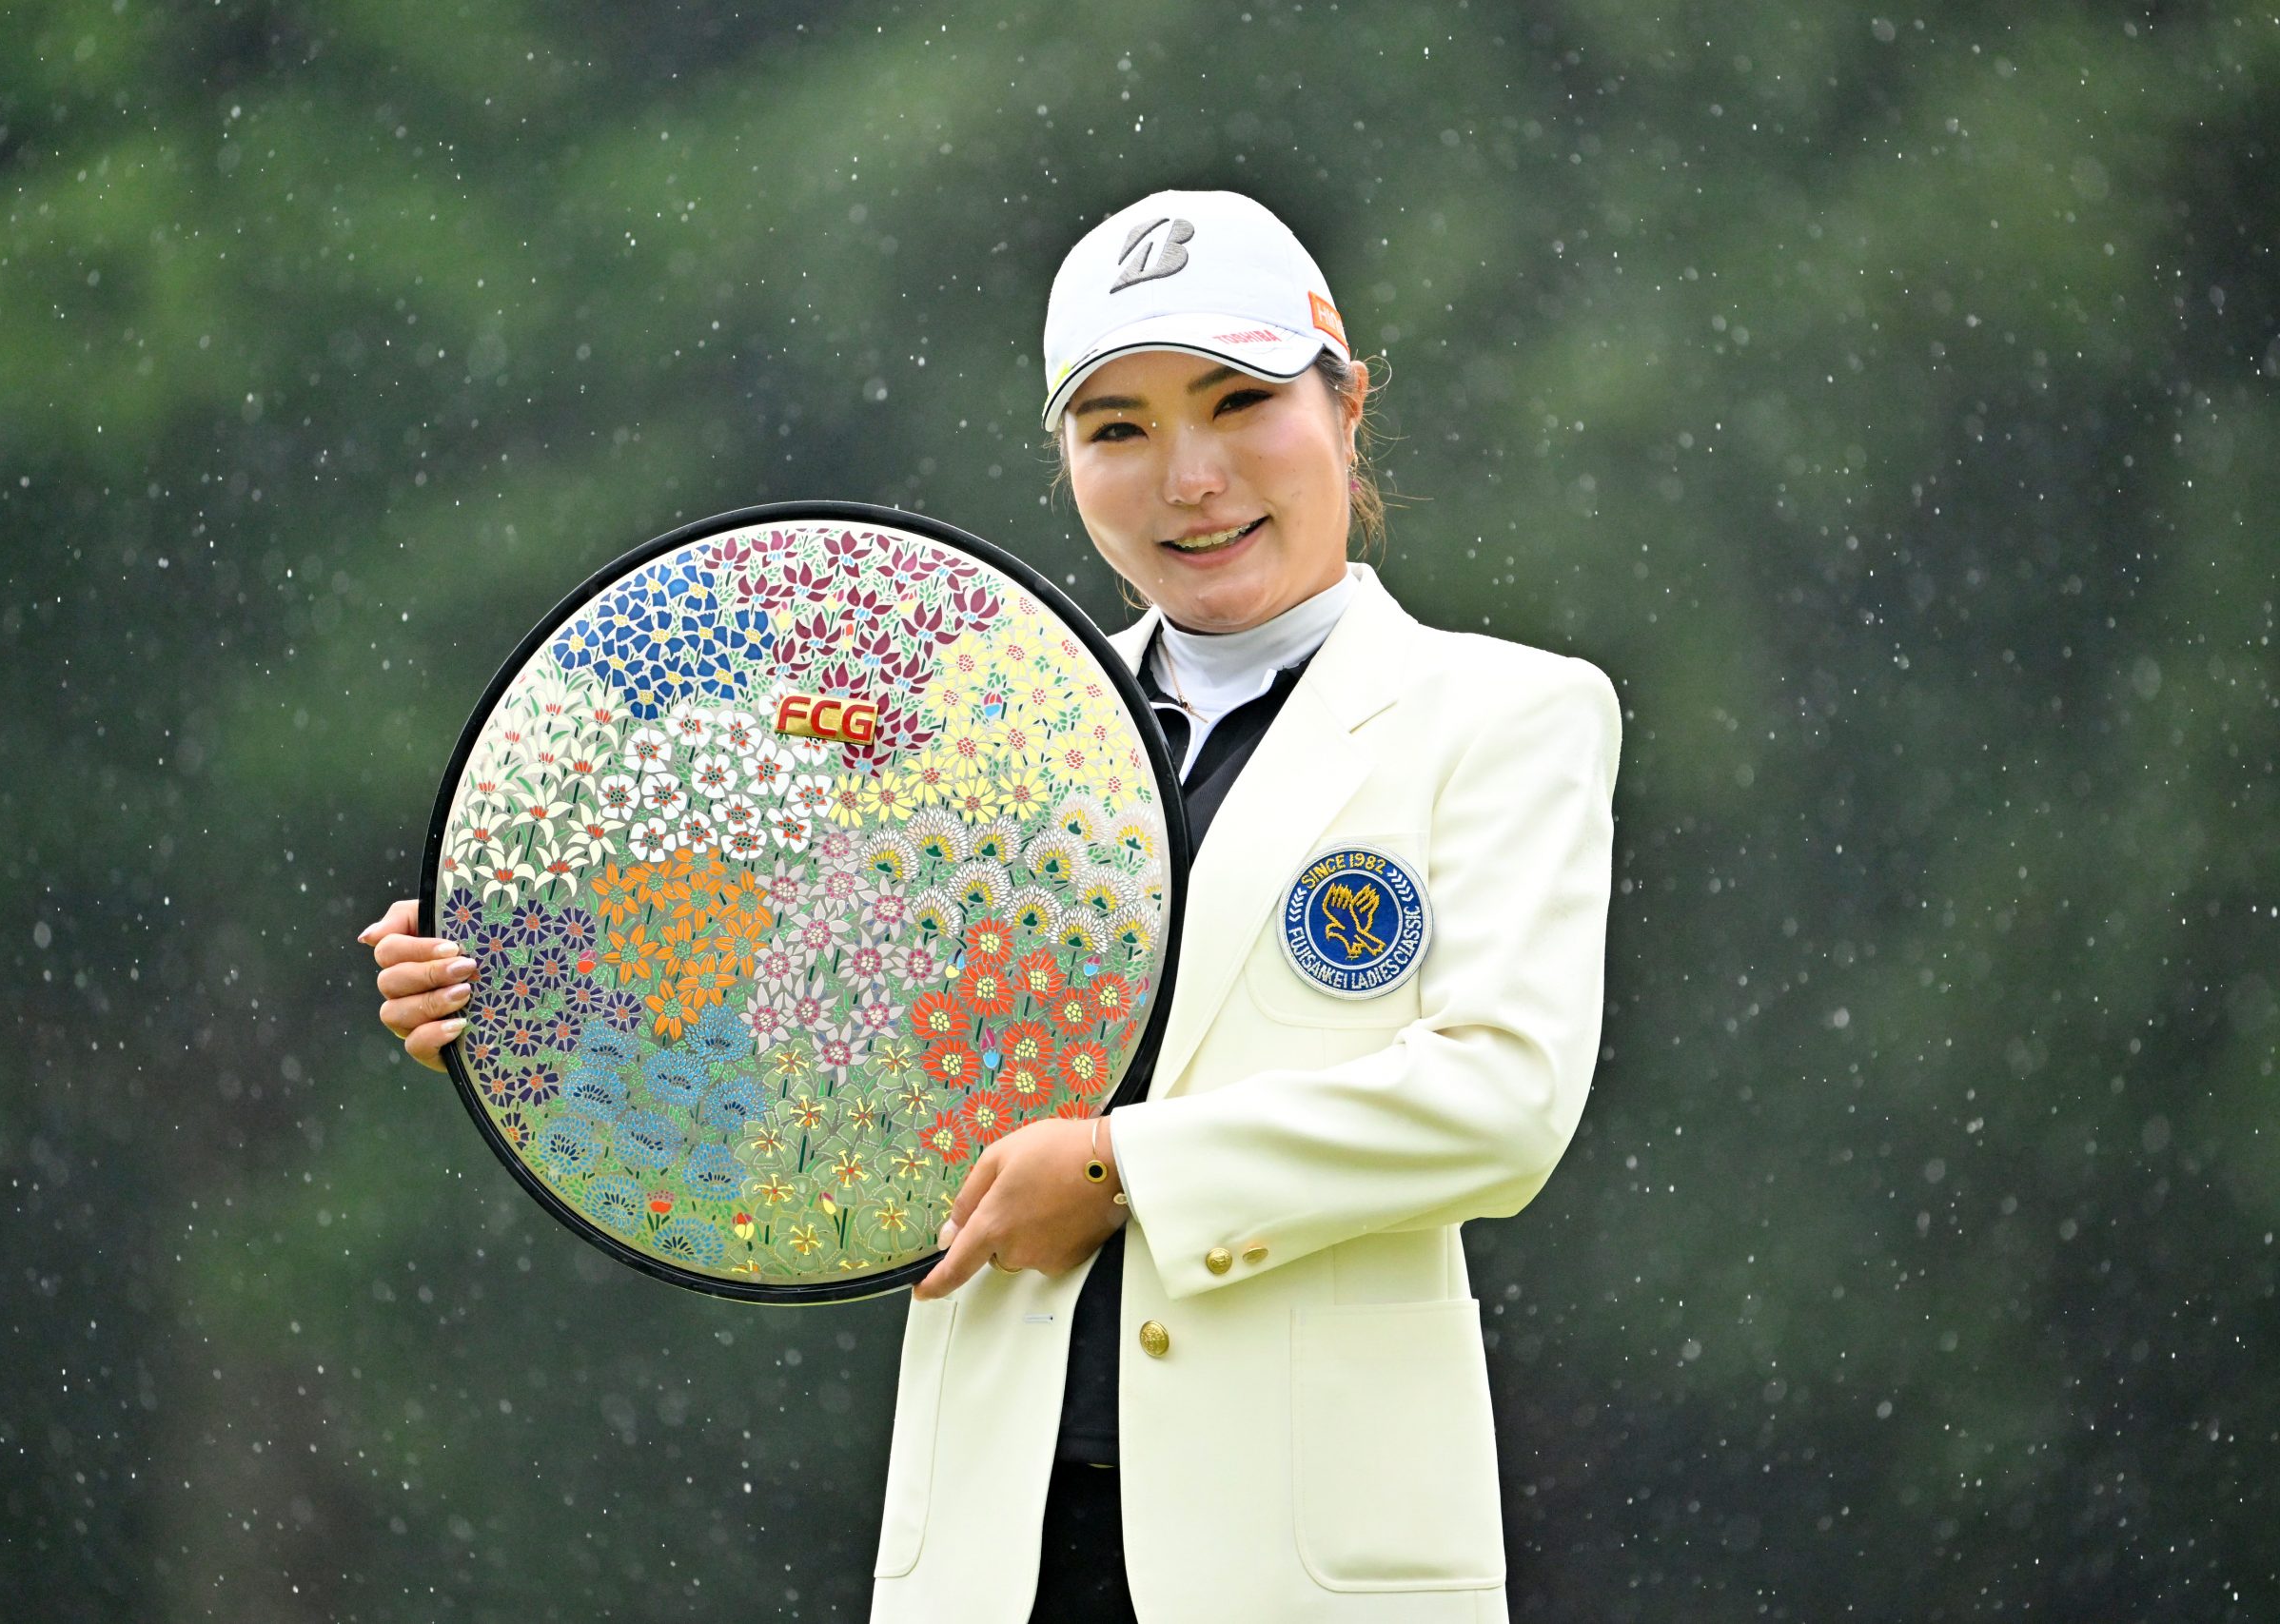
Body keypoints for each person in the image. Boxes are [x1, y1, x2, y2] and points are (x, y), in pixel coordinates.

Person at [361, 189, 1622, 1623]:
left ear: (1348, 406)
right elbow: (793, 1020)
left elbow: (1498, 1100)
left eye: (1239, 403)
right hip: (991, 1551)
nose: (1190, 477)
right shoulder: (971, 734)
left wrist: (1119, 1170)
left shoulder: (1504, 713)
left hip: (1308, 1560)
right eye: (1119, 428)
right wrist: (516, 995)